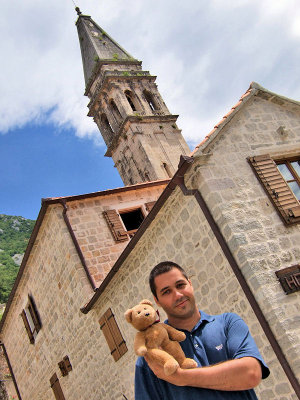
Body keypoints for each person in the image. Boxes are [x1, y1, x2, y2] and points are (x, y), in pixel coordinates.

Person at [135, 261, 270, 399]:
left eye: (180, 285)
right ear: (157, 300)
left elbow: (251, 373)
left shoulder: (228, 323)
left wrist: (182, 378)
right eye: (166, 292)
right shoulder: (152, 353)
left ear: (190, 284)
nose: (177, 295)